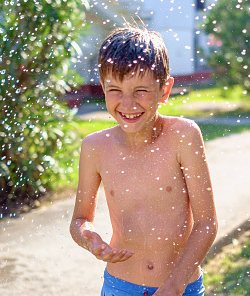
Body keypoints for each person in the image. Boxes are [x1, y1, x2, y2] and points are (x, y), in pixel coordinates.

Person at [70, 25, 218, 296]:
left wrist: (174, 286)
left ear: (165, 89)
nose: (127, 104)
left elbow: (207, 223)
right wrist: (88, 238)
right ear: (102, 86)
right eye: (115, 90)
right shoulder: (95, 147)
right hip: (119, 287)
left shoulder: (182, 136)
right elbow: (79, 220)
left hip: (180, 287)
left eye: (141, 91)